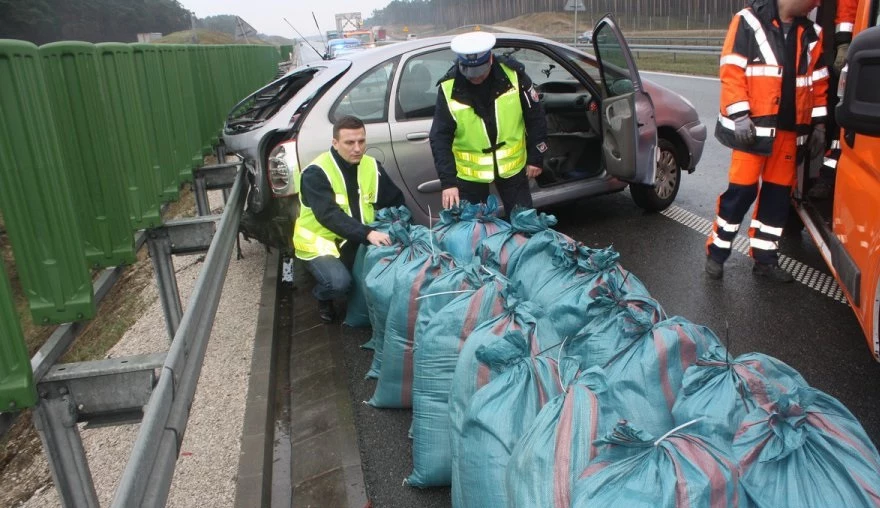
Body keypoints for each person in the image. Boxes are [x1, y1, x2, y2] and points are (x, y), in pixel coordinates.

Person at [707, 0, 828, 283]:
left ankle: (765, 260)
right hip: (752, 131)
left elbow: (819, 81)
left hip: (789, 134)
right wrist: (739, 115)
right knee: (741, 194)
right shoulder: (747, 21)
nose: (817, 3)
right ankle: (716, 253)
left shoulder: (813, 33)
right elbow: (732, 69)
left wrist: (819, 124)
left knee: (776, 200)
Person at [293, 115, 406, 323]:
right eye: (349, 143)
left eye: (361, 141)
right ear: (335, 143)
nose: (357, 148)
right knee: (340, 284)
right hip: (321, 245)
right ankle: (322, 295)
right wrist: (368, 233)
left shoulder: (371, 166)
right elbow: (329, 215)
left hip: (355, 240)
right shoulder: (316, 173)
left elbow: (395, 200)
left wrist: (405, 229)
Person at [429, 31, 548, 215]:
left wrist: (535, 157)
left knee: (524, 226)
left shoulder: (514, 76)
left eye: (480, 72)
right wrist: (449, 183)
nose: (475, 77)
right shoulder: (448, 87)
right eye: (469, 72)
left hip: (513, 170)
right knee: (473, 232)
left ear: (490, 59)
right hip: (470, 176)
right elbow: (439, 137)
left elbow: (536, 117)